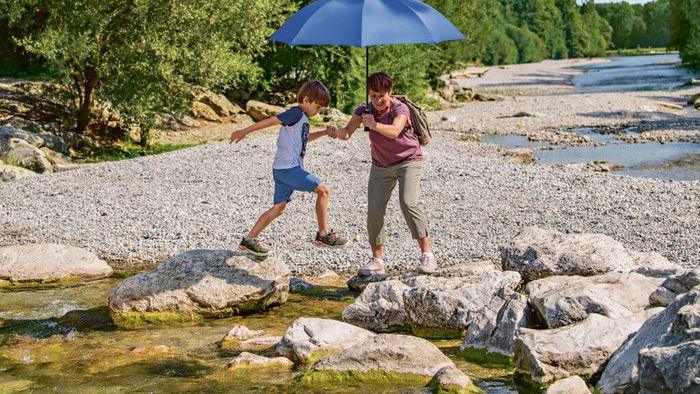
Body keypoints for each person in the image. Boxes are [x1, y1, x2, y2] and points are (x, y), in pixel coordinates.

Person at [229, 80, 347, 257]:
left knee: (278, 208)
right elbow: (271, 121)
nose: (319, 111)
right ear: (306, 99)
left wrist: (324, 132)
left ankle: (249, 240)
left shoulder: (302, 119)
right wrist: (244, 131)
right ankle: (323, 235)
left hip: (282, 169)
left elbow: (303, 139)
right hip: (289, 169)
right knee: (323, 190)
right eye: (318, 106)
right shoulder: (296, 113)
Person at [336, 72, 437, 275]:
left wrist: (374, 124)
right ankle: (377, 260)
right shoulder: (364, 109)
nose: (378, 100)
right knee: (374, 209)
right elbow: (347, 133)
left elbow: (394, 131)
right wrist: (333, 132)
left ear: (390, 92)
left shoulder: (401, 107)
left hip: (408, 160)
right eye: (373, 95)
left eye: (382, 95)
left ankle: (427, 255)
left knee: (408, 202)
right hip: (380, 165)